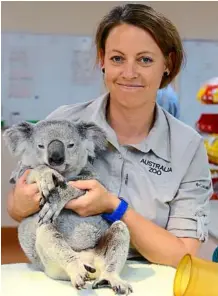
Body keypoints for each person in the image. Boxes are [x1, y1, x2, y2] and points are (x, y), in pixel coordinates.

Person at [7, 3, 213, 268]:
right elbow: (15, 206)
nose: (129, 73)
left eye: (145, 59)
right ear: (102, 59)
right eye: (117, 58)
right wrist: (24, 201)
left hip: (145, 281)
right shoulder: (63, 123)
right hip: (63, 273)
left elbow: (183, 255)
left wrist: (114, 207)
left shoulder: (188, 148)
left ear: (167, 64)